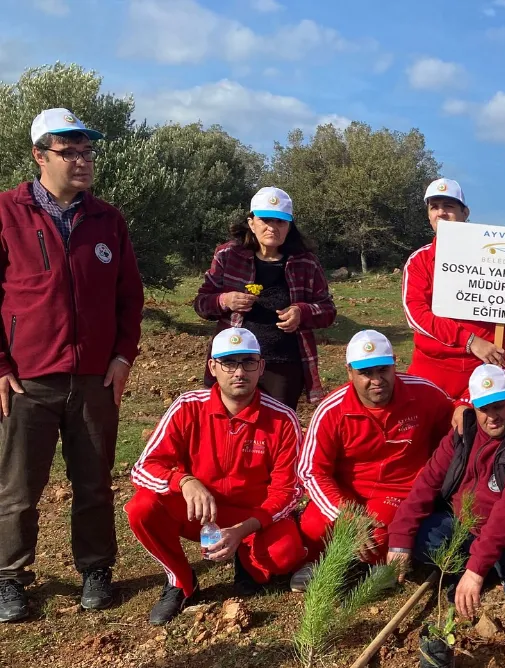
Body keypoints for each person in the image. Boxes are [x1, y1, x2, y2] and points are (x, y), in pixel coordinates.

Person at [0, 108, 144, 623]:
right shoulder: (5, 213)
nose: (82, 161)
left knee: (94, 480)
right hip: (28, 378)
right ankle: (10, 577)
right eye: (70, 152)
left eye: (87, 152)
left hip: (94, 376)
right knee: (18, 486)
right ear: (40, 155)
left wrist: (124, 355)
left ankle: (96, 569)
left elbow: (130, 296)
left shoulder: (108, 219)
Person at [125, 328, 306, 625]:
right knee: (141, 508)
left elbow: (288, 491)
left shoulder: (282, 419)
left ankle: (246, 559)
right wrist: (185, 481)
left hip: (250, 515)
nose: (239, 372)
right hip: (200, 512)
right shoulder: (188, 406)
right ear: (213, 367)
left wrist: (244, 528)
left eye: (248, 362)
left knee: (285, 554)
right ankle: (181, 581)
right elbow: (145, 467)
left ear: (261, 367)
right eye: (228, 363)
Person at [387, 365, 505, 632]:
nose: (492, 417)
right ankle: (470, 570)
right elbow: (428, 481)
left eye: (500, 406)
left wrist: (475, 570)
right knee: (423, 537)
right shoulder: (464, 431)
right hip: (464, 525)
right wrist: (400, 539)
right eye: (484, 408)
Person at [293, 329, 454, 589]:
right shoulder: (332, 409)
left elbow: (455, 417)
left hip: (398, 491)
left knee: (376, 537)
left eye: (383, 370)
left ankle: (347, 569)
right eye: (366, 373)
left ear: (394, 366)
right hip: (347, 492)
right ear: (349, 372)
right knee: (313, 526)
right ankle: (338, 562)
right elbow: (311, 470)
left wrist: (462, 409)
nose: (377, 380)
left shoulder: (423, 394)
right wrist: (347, 514)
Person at [194, 187, 335, 409]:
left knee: (275, 428)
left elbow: (328, 310)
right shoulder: (228, 256)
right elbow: (202, 303)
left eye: (280, 222)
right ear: (252, 223)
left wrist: (302, 312)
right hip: (234, 361)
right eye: (265, 220)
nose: (272, 227)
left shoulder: (306, 263)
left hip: (284, 365)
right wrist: (225, 300)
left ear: (289, 226)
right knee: (230, 421)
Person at [402, 178, 505, 400]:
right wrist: (470, 341)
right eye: (434, 207)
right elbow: (416, 315)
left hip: (482, 365)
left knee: (481, 430)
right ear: (429, 215)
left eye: (448, 206)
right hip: (431, 366)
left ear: (465, 212)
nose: (441, 212)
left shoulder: (494, 257)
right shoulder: (419, 261)